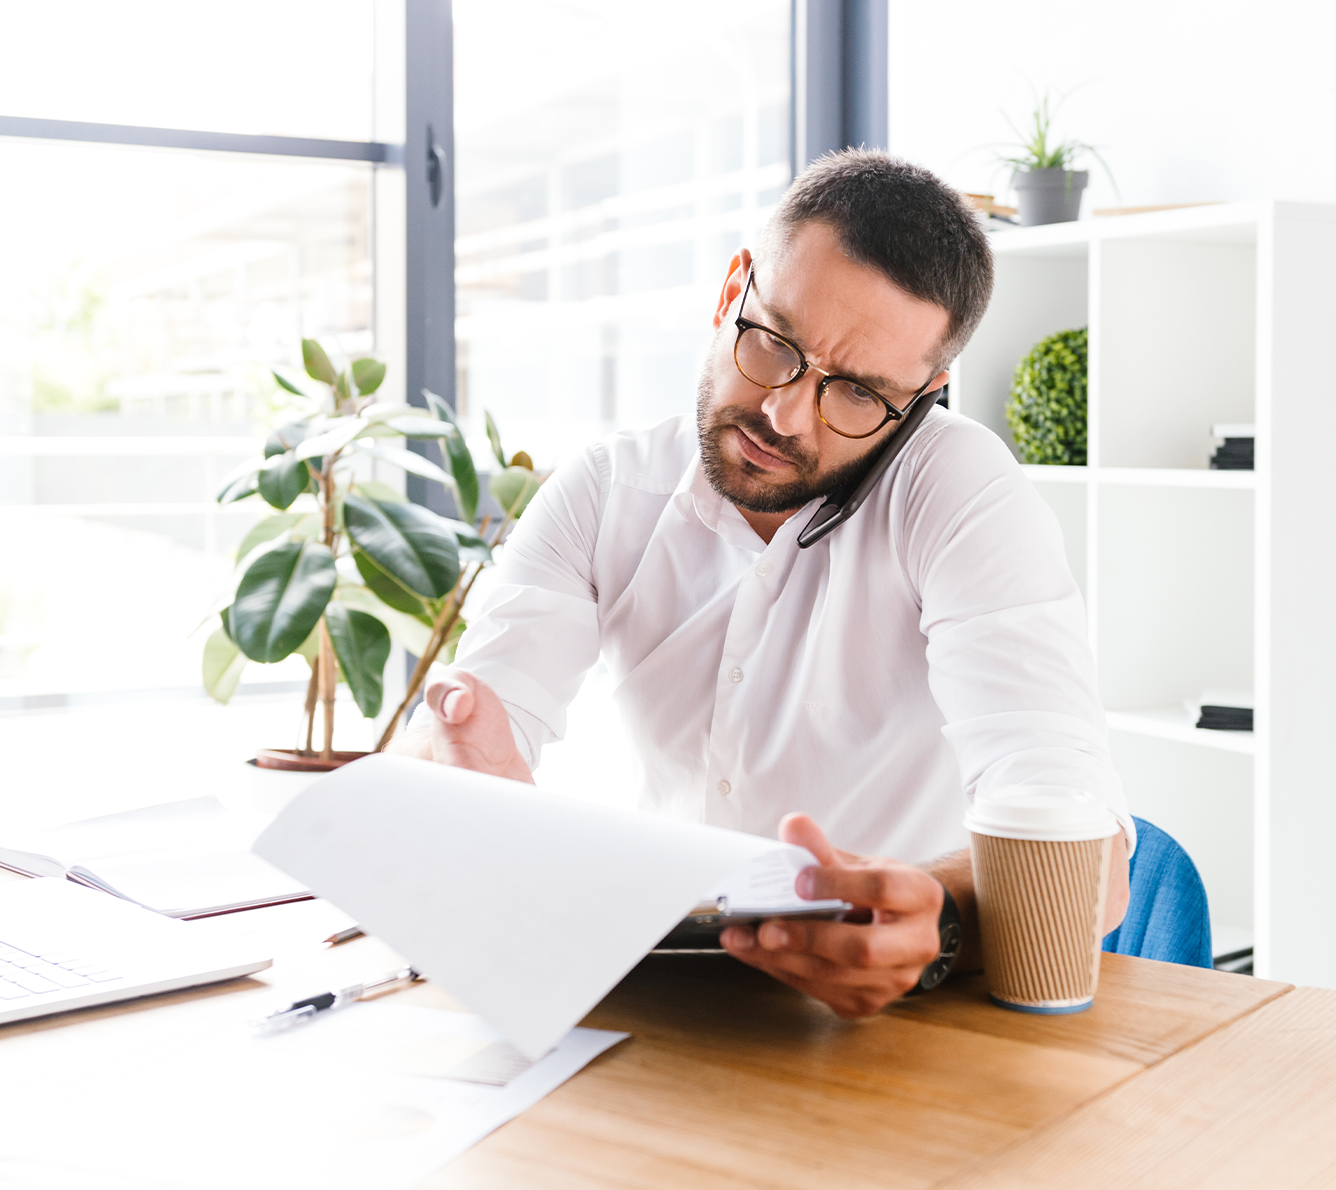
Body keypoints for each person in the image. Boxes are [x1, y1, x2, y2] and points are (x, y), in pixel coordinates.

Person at [390, 149, 1132, 1018]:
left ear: (925, 396)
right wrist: (457, 774)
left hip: (894, 1023)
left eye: (855, 392)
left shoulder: (960, 490)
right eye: (774, 345)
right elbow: (471, 730)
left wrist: (941, 921)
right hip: (650, 994)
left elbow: (1089, 856)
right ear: (732, 289)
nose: (785, 416)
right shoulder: (603, 492)